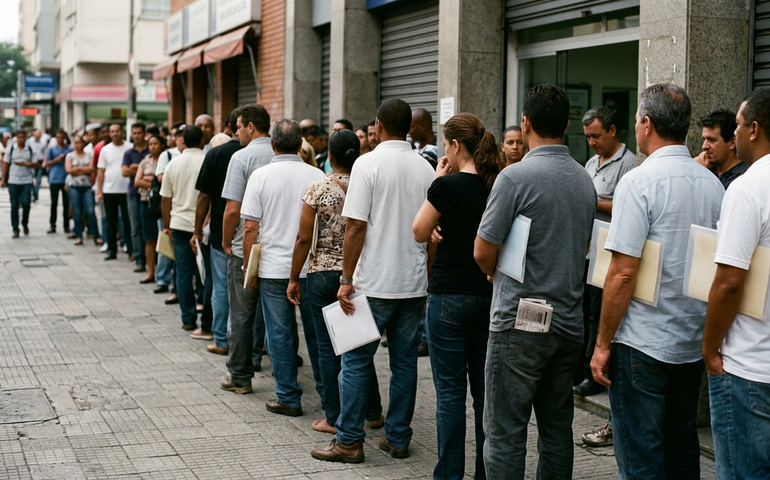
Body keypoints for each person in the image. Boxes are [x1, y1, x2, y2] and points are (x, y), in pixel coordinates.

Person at [589, 83, 724, 479]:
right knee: (681, 449)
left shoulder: (638, 181)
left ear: (647, 123)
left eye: (636, 120)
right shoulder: (712, 184)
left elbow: (622, 271)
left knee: (640, 458)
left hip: (642, 342)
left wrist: (601, 344)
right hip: (690, 339)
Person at [474, 84, 596, 479]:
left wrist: (493, 269)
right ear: (567, 125)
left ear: (525, 124)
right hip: (569, 321)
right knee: (557, 429)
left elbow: (482, 249)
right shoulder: (584, 180)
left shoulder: (514, 178)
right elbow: (585, 246)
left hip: (518, 321)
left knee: (505, 432)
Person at [311, 98, 434, 464]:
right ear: (409, 127)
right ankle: (397, 438)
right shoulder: (425, 167)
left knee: (355, 362)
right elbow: (432, 234)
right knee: (404, 364)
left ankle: (349, 440)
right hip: (412, 282)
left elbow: (355, 227)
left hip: (372, 282)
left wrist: (346, 279)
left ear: (378, 125)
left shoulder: (367, 164)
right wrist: (426, 277)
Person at [412, 112, 503, 479]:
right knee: (484, 394)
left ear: (453, 145)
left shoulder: (445, 186)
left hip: (449, 295)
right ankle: (484, 472)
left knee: (450, 394)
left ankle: (449, 474)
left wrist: (437, 182)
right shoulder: (496, 183)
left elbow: (419, 231)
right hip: (487, 293)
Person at [287, 129, 384, 434]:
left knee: (327, 349)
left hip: (322, 275)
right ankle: (373, 412)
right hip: (357, 274)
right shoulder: (367, 184)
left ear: (329, 156)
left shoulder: (317, 187)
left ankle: (333, 417)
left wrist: (293, 277)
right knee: (358, 345)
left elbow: (304, 238)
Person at [702, 89, 770, 479]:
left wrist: (710, 349)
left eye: (739, 125)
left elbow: (729, 281)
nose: (736, 133)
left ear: (754, 129)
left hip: (750, 367)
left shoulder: (747, 187)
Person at [241, 119, 325, 417]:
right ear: (301, 143)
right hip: (311, 268)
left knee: (279, 333)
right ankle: (328, 396)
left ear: (272, 144)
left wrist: (248, 267)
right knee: (317, 335)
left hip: (274, 269)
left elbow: (250, 228)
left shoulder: (260, 176)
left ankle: (288, 396)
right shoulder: (317, 174)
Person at [575, 106, 637, 401]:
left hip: (611, 253)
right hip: (589, 251)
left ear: (613, 131)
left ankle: (595, 374)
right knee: (584, 310)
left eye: (596, 136)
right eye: (588, 137)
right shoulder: (591, 163)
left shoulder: (629, 164)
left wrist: (594, 202)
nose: (592, 142)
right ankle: (581, 368)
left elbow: (627, 206)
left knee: (599, 313)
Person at [219, 104, 274, 393]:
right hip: (280, 249)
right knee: (278, 317)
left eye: (238, 127)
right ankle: (284, 379)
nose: (236, 133)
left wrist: (226, 241)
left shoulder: (241, 157)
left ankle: (240, 376)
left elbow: (232, 209)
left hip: (246, 248)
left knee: (241, 314)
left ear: (251, 127)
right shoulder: (284, 154)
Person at [192, 109, 243, 356]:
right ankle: (253, 345)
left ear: (229, 126)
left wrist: (196, 230)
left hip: (221, 232)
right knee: (250, 290)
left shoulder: (216, 153)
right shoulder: (262, 153)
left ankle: (222, 339)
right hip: (255, 232)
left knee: (221, 287)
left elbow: (204, 197)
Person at [160, 125, 209, 334]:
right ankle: (206, 312)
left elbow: (165, 199)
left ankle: (188, 318)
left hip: (179, 223)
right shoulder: (207, 160)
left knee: (183, 271)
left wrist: (166, 225)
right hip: (204, 225)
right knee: (205, 271)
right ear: (202, 141)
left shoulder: (173, 164)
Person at [97, 124, 133, 261]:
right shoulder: (105, 150)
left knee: (128, 221)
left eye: (117, 131)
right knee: (110, 222)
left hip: (127, 190)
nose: (115, 133)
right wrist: (99, 190)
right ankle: (112, 250)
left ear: (122, 132)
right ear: (109, 134)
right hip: (109, 190)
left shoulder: (130, 147)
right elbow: (101, 171)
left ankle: (131, 249)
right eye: (112, 131)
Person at [134, 135, 164, 284]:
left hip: (162, 203)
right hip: (146, 202)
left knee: (162, 237)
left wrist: (148, 179)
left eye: (155, 143)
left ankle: (163, 273)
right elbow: (137, 181)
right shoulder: (144, 161)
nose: (152, 146)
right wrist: (154, 183)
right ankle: (150, 272)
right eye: (150, 144)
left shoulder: (165, 159)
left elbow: (165, 182)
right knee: (149, 238)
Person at [698, 109, 749, 190]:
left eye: (711, 140)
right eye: (704, 139)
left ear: (732, 143)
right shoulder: (709, 172)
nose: (704, 146)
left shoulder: (743, 179)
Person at [123, 123, 150, 271]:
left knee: (148, 227)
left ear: (144, 134)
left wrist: (136, 167)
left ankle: (149, 258)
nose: (137, 136)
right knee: (135, 227)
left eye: (139, 133)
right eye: (134, 133)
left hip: (148, 195)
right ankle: (139, 258)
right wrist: (143, 172)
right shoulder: (129, 153)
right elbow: (124, 172)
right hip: (133, 193)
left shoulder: (150, 150)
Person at [64, 134, 99, 246]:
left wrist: (77, 169)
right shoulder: (70, 155)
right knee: (77, 211)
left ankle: (96, 235)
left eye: (79, 142)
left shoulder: (89, 155)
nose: (77, 145)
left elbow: (91, 169)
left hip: (87, 186)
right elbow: (69, 170)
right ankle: (78, 235)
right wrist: (83, 169)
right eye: (75, 142)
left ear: (83, 144)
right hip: (74, 186)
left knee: (90, 211)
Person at [1, 130, 36, 237]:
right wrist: (3, 179)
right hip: (13, 180)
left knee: (26, 203)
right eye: (19, 137)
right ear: (16, 138)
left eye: (23, 137)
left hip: (26, 180)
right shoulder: (11, 149)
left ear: (26, 138)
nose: (21, 139)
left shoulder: (29, 149)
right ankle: (15, 228)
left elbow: (36, 164)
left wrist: (26, 164)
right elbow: (6, 163)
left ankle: (25, 223)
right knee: (14, 205)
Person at [45, 129, 73, 234]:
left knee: (66, 204)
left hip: (65, 179)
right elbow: (47, 163)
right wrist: (57, 160)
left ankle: (66, 225)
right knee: (54, 203)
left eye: (62, 138)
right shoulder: (52, 149)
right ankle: (52, 225)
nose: (60, 140)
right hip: (54, 178)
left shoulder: (69, 150)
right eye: (58, 138)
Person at [26, 129, 47, 202]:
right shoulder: (29, 142)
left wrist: (44, 162)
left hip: (39, 162)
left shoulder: (43, 143)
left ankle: (36, 194)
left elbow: (45, 153)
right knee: (31, 179)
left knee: (38, 180)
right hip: (31, 162)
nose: (38, 135)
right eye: (37, 133)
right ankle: (33, 193)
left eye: (39, 133)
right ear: (33, 133)